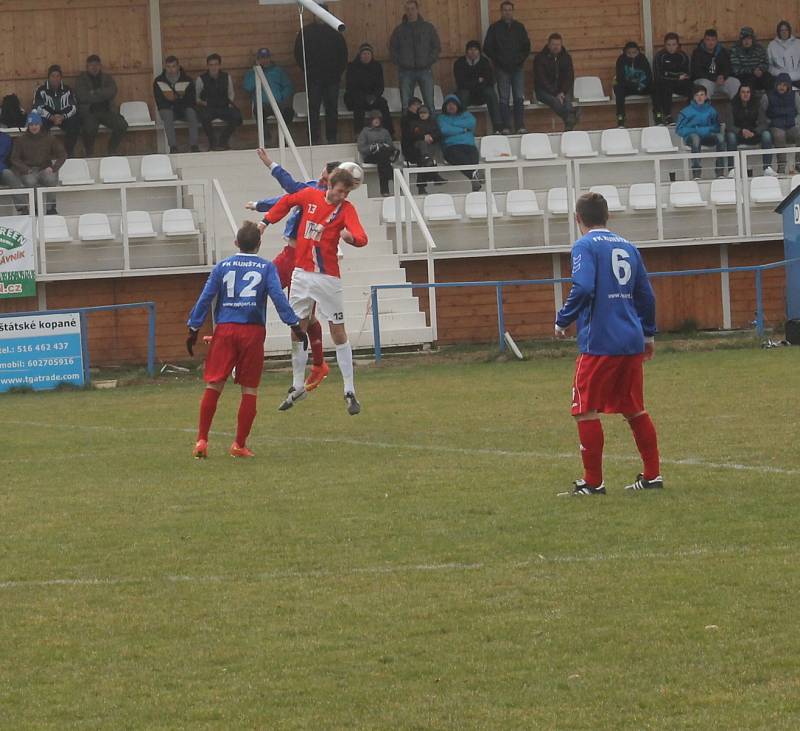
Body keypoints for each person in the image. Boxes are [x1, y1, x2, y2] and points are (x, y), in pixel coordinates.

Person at [554, 192, 660, 496]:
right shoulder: (628, 246)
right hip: (630, 339)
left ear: (578, 219)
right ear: (607, 217)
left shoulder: (584, 245)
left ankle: (592, 482)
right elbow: (647, 296)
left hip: (600, 341)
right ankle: (652, 475)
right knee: (634, 408)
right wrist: (648, 334)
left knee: (584, 409)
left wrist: (563, 319)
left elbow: (584, 285)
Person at [186, 220, 306, 459]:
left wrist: (193, 327)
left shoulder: (222, 266)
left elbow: (206, 296)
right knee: (249, 389)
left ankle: (201, 440)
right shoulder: (266, 268)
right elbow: (278, 297)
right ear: (259, 244)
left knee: (214, 384)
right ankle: (238, 444)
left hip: (226, 328)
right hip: (252, 331)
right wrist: (293, 323)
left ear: (236, 243)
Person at [260, 168, 368, 415]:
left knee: (337, 330)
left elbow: (361, 235)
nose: (342, 196)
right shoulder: (310, 195)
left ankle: (349, 390)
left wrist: (353, 239)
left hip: (328, 278)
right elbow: (286, 201)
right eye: (340, 190)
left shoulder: (346, 210)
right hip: (301, 275)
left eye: (346, 192)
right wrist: (265, 222)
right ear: (330, 185)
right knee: (297, 327)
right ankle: (297, 385)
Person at [245, 148, 338, 391]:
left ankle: (316, 366)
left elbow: (290, 185)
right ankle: (318, 365)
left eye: (326, 174)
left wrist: (270, 165)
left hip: (305, 259)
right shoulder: (311, 187)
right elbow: (286, 199)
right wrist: (259, 205)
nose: (321, 175)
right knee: (271, 297)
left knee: (301, 317)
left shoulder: (324, 195)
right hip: (291, 255)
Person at [294, 7, 348, 144]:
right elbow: (298, 54)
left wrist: (337, 73)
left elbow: (343, 55)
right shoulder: (305, 32)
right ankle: (313, 138)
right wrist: (307, 71)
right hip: (314, 78)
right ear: (313, 15)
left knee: (332, 109)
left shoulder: (335, 32)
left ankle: (332, 137)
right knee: (313, 108)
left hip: (332, 78)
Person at [482, 0, 531, 134]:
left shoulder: (520, 27)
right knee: (503, 98)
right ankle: (506, 126)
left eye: (509, 10)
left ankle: (520, 125)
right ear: (501, 12)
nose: (507, 12)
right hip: (501, 68)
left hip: (517, 67)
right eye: (505, 10)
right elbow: (487, 47)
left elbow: (526, 47)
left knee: (518, 96)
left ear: (512, 11)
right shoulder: (494, 28)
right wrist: (498, 60)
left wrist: (519, 60)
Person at [8, 112, 65, 215]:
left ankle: (51, 207)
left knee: (51, 178)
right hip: (28, 171)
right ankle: (35, 208)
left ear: (40, 125)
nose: (34, 127)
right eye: (31, 125)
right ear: (28, 126)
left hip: (45, 169)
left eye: (36, 124)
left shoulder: (49, 138)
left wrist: (53, 168)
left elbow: (62, 155)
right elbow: (14, 158)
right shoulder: (20, 140)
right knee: (30, 181)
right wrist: (25, 169)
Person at [389, 0, 441, 112]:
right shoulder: (399, 30)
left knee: (429, 104)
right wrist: (401, 62)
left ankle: (432, 129)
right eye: (407, 9)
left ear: (417, 9)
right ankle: (407, 129)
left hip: (425, 70)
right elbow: (392, 49)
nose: (410, 12)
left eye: (412, 9)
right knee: (406, 105)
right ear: (405, 11)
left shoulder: (428, 28)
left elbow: (436, 47)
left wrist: (428, 61)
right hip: (405, 71)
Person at [75, 54, 128, 156]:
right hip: (89, 112)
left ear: (100, 66)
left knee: (122, 125)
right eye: (91, 65)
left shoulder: (107, 78)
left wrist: (94, 92)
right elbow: (81, 96)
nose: (94, 67)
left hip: (107, 111)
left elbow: (112, 91)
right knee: (88, 129)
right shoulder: (81, 79)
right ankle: (89, 153)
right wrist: (103, 94)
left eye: (96, 65)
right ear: (87, 66)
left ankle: (111, 150)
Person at [242, 48, 295, 145]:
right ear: (258, 59)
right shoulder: (251, 72)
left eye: (266, 57)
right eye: (262, 58)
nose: (264, 60)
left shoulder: (278, 71)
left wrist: (282, 97)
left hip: (278, 103)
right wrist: (257, 70)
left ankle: (282, 138)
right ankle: (266, 140)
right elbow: (248, 87)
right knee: (259, 113)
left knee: (288, 112)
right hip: (262, 104)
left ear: (270, 58)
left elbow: (288, 86)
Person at [675, 85, 726, 179]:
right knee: (695, 138)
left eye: (702, 95)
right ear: (693, 97)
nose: (699, 97)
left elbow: (716, 127)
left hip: (707, 137)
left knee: (720, 137)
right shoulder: (686, 112)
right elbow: (679, 129)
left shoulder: (711, 111)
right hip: (691, 138)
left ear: (706, 96)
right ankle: (696, 173)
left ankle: (720, 171)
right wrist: (696, 130)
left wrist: (706, 130)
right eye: (697, 95)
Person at [453, 41, 503, 133]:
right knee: (463, 94)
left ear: (479, 52)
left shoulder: (484, 62)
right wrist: (478, 81)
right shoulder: (459, 63)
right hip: (466, 95)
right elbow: (460, 82)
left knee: (491, 93)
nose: (473, 52)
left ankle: (498, 127)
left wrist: (472, 83)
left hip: (481, 94)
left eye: (475, 50)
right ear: (466, 51)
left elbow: (489, 81)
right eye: (470, 49)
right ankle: (463, 127)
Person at [344, 43, 393, 137]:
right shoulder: (352, 66)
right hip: (356, 97)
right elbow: (350, 87)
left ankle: (390, 132)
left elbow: (380, 86)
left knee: (383, 103)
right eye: (364, 54)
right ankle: (358, 133)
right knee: (358, 105)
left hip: (372, 97)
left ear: (371, 55)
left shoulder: (377, 66)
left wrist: (374, 96)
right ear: (360, 55)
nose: (366, 56)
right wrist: (363, 97)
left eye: (368, 54)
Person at [196, 54, 243, 151]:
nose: (213, 67)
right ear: (207, 66)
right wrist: (204, 103)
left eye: (216, 64)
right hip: (208, 107)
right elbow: (196, 97)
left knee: (237, 116)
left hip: (223, 106)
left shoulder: (226, 77)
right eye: (211, 65)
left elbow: (231, 93)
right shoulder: (201, 79)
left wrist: (229, 104)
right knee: (204, 117)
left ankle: (223, 140)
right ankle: (212, 142)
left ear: (220, 65)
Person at [726, 83, 775, 176]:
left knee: (766, 135)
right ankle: (732, 169)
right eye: (743, 92)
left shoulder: (757, 104)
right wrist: (741, 131)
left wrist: (754, 131)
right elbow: (729, 125)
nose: (745, 94)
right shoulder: (732, 105)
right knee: (730, 136)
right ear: (739, 93)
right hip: (739, 135)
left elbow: (763, 123)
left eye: (748, 92)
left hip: (754, 134)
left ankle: (767, 167)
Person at [153, 56, 200, 153]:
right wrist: (173, 103)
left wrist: (178, 103)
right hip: (167, 109)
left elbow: (191, 100)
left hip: (183, 108)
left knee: (192, 113)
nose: (171, 69)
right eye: (168, 66)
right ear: (165, 67)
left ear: (178, 66)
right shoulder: (158, 81)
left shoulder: (187, 80)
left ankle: (194, 145)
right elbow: (160, 101)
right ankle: (173, 147)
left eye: (173, 66)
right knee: (167, 114)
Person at [33, 65, 80, 157]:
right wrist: (51, 117)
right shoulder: (41, 90)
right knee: (39, 123)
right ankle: (44, 154)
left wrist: (63, 116)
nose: (55, 78)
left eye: (58, 76)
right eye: (53, 76)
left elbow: (74, 107)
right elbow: (37, 107)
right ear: (48, 77)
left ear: (61, 77)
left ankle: (68, 153)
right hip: (48, 116)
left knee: (75, 122)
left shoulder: (67, 90)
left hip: (63, 116)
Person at [533, 33, 578, 131]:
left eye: (558, 44)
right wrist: (556, 93)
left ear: (561, 45)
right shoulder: (540, 58)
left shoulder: (566, 58)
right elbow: (541, 80)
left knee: (567, 101)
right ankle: (570, 118)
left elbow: (569, 77)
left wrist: (562, 92)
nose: (556, 47)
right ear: (548, 45)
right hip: (544, 91)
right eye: (553, 44)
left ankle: (569, 123)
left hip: (562, 90)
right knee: (555, 101)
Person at [437, 94, 481, 191]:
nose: (451, 106)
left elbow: (471, 123)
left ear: (458, 105)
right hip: (451, 147)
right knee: (459, 158)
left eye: (453, 104)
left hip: (469, 146)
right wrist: (463, 129)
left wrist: (453, 124)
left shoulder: (466, 115)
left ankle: (474, 178)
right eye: (448, 104)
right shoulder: (441, 118)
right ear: (445, 106)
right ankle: (474, 176)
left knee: (473, 159)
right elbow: (444, 130)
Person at [401, 99, 444, 194]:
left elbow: (439, 134)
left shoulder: (433, 122)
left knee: (426, 160)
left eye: (425, 113)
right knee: (423, 160)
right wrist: (423, 137)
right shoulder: (413, 123)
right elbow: (412, 135)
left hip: (431, 147)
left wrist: (432, 137)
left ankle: (423, 186)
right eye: (421, 113)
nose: (423, 115)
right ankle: (434, 176)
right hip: (417, 148)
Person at [760, 73, 800, 174]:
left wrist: (796, 122)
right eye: (780, 84)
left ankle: (798, 164)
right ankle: (781, 167)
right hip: (775, 125)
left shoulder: (795, 96)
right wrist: (768, 123)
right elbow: (762, 114)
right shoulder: (767, 96)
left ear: (788, 86)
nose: (782, 87)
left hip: (791, 125)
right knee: (779, 135)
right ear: (776, 84)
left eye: (784, 85)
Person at [652, 32, 692, 125]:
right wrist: (676, 76)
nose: (671, 47)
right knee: (661, 86)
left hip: (679, 84)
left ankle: (691, 115)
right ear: (665, 45)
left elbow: (686, 74)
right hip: (664, 83)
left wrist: (669, 75)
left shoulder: (683, 56)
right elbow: (659, 75)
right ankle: (667, 116)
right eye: (668, 45)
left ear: (677, 45)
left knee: (693, 87)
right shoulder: (660, 56)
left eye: (674, 44)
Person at [358, 109, 399, 196]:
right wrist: (373, 147)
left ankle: (385, 191)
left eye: (378, 119)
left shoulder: (385, 131)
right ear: (370, 120)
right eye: (374, 119)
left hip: (383, 155)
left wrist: (384, 146)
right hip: (371, 155)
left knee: (382, 159)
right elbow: (361, 148)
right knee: (384, 159)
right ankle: (391, 176)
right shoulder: (365, 132)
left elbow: (390, 145)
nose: (376, 121)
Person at [691, 29, 740, 100]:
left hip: (720, 81)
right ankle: (705, 109)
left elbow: (728, 67)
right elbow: (696, 71)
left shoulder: (722, 51)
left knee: (735, 82)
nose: (711, 42)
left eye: (713, 40)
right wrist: (713, 78)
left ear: (716, 41)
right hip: (706, 80)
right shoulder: (698, 52)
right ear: (704, 40)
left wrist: (723, 76)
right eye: (708, 40)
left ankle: (737, 109)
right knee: (704, 85)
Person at [613, 41, 652, 128]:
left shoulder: (643, 59)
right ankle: (621, 118)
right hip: (628, 88)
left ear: (638, 52)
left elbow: (648, 75)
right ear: (625, 52)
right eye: (629, 53)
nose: (632, 55)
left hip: (642, 87)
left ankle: (659, 115)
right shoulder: (621, 60)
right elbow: (620, 77)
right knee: (618, 88)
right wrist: (633, 85)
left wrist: (641, 85)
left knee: (655, 87)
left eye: (634, 52)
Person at [730, 27, 771, 93]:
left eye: (749, 39)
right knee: (749, 81)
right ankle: (750, 102)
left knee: (769, 78)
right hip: (744, 77)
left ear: (752, 39)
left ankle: (772, 101)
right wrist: (752, 71)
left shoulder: (759, 48)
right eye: (744, 39)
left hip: (759, 75)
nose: (747, 41)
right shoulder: (735, 49)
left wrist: (760, 69)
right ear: (741, 40)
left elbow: (765, 63)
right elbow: (736, 69)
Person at [768, 21, 800, 88]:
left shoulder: (798, 43)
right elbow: (769, 65)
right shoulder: (772, 45)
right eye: (781, 30)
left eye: (786, 30)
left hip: (797, 77)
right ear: (778, 32)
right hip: (779, 78)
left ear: (789, 31)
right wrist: (779, 74)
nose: (784, 32)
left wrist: (795, 75)